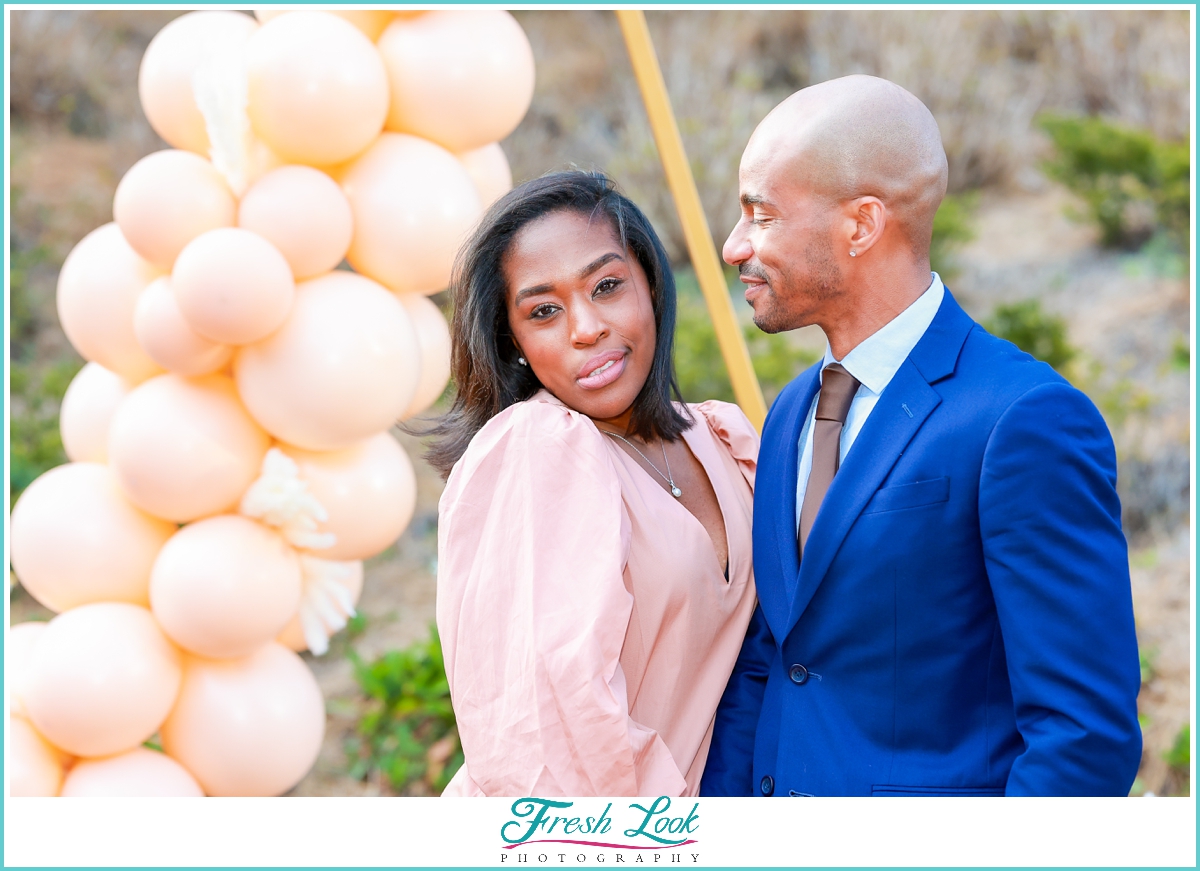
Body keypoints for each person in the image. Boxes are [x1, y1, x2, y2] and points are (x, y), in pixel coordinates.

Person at [700, 75, 1142, 797]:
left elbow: (1083, 735)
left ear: (862, 224)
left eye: (762, 214)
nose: (733, 244)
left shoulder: (1023, 419)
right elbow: (772, 662)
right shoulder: (787, 414)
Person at [429, 171, 759, 796]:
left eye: (607, 286)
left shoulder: (720, 440)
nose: (586, 327)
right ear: (515, 342)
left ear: (651, 288)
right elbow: (541, 742)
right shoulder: (537, 451)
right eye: (544, 310)